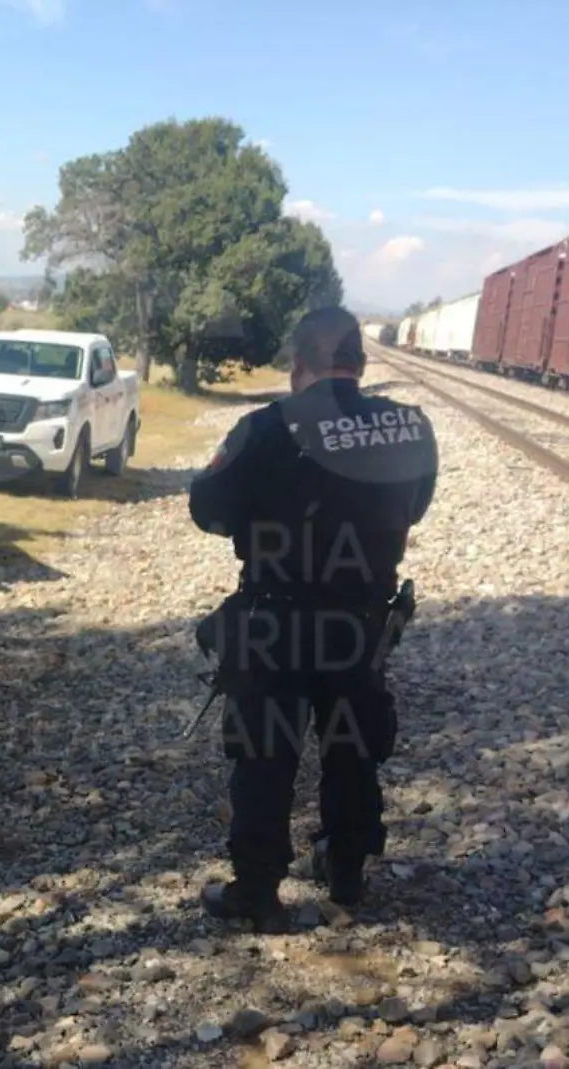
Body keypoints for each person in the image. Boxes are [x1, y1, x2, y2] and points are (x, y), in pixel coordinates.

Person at [186, 306, 438, 933]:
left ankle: (258, 890)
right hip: (360, 624)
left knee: (265, 751)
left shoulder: (265, 427)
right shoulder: (409, 428)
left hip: (277, 621)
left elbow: (206, 507)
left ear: (298, 366)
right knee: (353, 743)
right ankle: (347, 869)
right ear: (361, 362)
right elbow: (419, 504)